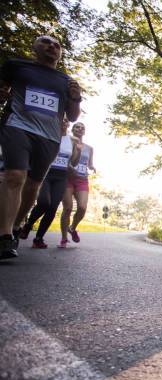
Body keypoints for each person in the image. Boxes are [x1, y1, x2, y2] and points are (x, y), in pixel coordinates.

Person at [0, 35, 81, 259]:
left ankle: (16, 225)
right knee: (15, 176)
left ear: (60, 53)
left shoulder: (66, 81)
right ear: (35, 47)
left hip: (49, 137)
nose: (52, 46)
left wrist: (76, 98)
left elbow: (72, 117)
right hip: (18, 126)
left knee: (33, 186)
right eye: (46, 42)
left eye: (57, 45)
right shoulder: (16, 67)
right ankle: (4, 236)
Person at [19, 117, 81, 248]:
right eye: (61, 121)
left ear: (68, 124)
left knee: (53, 207)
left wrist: (79, 152)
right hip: (46, 173)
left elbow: (74, 162)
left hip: (61, 176)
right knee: (43, 202)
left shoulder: (73, 140)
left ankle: (38, 239)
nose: (63, 123)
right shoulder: (49, 135)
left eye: (65, 121)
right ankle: (28, 225)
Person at [58, 122, 95, 248]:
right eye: (77, 127)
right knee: (67, 208)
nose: (80, 129)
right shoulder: (66, 142)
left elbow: (89, 164)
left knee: (82, 207)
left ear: (84, 132)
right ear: (72, 129)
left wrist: (92, 167)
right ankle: (64, 238)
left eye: (82, 128)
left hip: (82, 179)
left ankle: (72, 228)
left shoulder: (89, 148)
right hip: (68, 178)